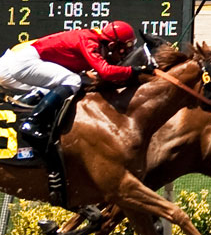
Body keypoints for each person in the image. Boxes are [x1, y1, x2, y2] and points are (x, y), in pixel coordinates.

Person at [0, 20, 141, 146]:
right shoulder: (90, 41)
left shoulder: (95, 41)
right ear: (112, 45)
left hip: (23, 61)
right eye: (125, 49)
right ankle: (32, 123)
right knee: (73, 80)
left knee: (67, 81)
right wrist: (135, 70)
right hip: (24, 62)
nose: (126, 53)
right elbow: (106, 72)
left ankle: (24, 108)